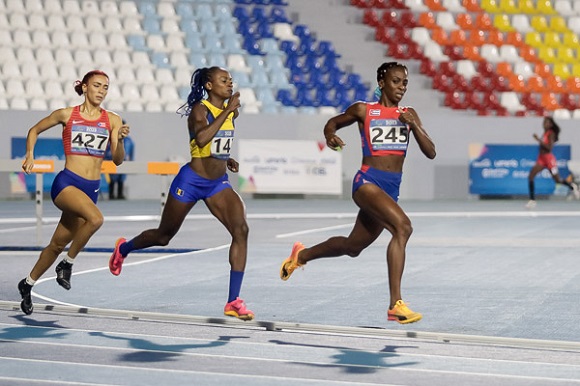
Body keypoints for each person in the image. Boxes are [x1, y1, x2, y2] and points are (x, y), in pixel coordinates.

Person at [279, 62, 436, 324]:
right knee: (403, 228)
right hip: (366, 183)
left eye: (405, 83)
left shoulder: (409, 113)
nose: (401, 87)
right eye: (396, 81)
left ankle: (301, 256)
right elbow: (333, 122)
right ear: (382, 82)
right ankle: (396, 304)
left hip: (389, 191)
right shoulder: (365, 110)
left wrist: (414, 126)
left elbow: (431, 152)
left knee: (353, 247)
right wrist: (330, 136)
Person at [108, 67, 254, 321]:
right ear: (209, 86)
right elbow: (201, 139)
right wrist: (229, 110)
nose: (230, 84)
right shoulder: (200, 109)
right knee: (164, 236)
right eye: (224, 80)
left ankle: (233, 301)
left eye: (231, 80)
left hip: (217, 183)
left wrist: (224, 158)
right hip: (191, 181)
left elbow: (217, 141)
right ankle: (124, 248)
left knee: (241, 230)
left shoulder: (232, 111)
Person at [18, 70, 130, 315]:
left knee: (56, 244)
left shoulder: (112, 120)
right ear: (86, 87)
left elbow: (118, 160)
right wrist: (30, 155)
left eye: (106, 87)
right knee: (96, 219)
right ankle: (67, 265)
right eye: (97, 85)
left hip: (91, 189)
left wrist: (119, 140)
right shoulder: (67, 114)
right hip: (67, 183)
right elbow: (34, 130)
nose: (101, 91)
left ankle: (27, 284)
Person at [526, 116, 579, 209]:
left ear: (550, 124)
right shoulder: (545, 133)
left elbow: (549, 148)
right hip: (541, 159)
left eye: (546, 122)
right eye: (544, 122)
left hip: (549, 159)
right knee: (531, 176)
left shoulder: (551, 134)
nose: (544, 124)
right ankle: (532, 200)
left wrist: (538, 140)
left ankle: (572, 186)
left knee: (557, 180)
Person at [105, 124, 134, 200]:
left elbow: (131, 151)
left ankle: (120, 193)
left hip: (124, 162)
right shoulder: (111, 139)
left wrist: (131, 161)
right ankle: (111, 194)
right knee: (112, 179)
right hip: (112, 160)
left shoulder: (129, 141)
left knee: (121, 179)